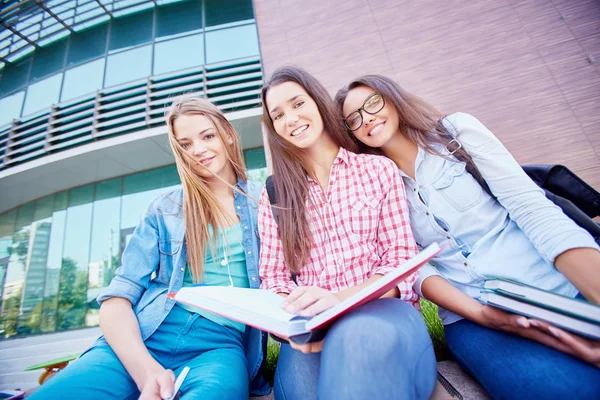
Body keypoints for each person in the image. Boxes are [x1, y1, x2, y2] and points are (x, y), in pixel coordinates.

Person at [335, 75, 600, 399]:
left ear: (392, 97)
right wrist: (483, 315)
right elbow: (412, 266)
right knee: (555, 389)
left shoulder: (455, 133)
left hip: (544, 283)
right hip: (472, 313)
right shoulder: (374, 184)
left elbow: (531, 208)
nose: (368, 118)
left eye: (372, 102)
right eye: (354, 119)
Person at [29, 97, 269, 400]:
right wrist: (146, 372)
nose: (198, 149)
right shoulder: (164, 209)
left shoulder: (263, 203)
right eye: (185, 144)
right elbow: (117, 299)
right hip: (148, 335)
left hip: (218, 348)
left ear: (228, 134)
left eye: (207, 136)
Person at [258, 66, 437, 400]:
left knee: (358, 360)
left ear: (318, 101)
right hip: (313, 327)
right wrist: (295, 317)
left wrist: (339, 301)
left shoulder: (376, 169)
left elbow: (400, 263)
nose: (291, 119)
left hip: (382, 311)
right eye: (278, 115)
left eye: (297, 104)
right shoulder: (274, 195)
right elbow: (274, 279)